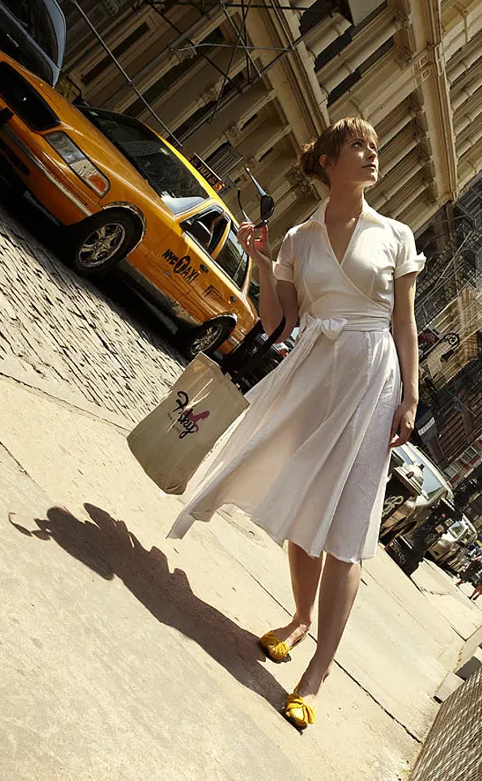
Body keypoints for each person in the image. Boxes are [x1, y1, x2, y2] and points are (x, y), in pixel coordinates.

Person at [167, 117, 425, 731]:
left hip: (370, 379)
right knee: (305, 503)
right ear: (330, 161)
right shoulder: (298, 240)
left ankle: (317, 673)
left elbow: (405, 324)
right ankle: (300, 619)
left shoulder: (395, 235)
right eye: (360, 145)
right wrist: (258, 262)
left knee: (348, 521)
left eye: (375, 146)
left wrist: (410, 397)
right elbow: (278, 323)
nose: (372, 153)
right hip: (314, 372)